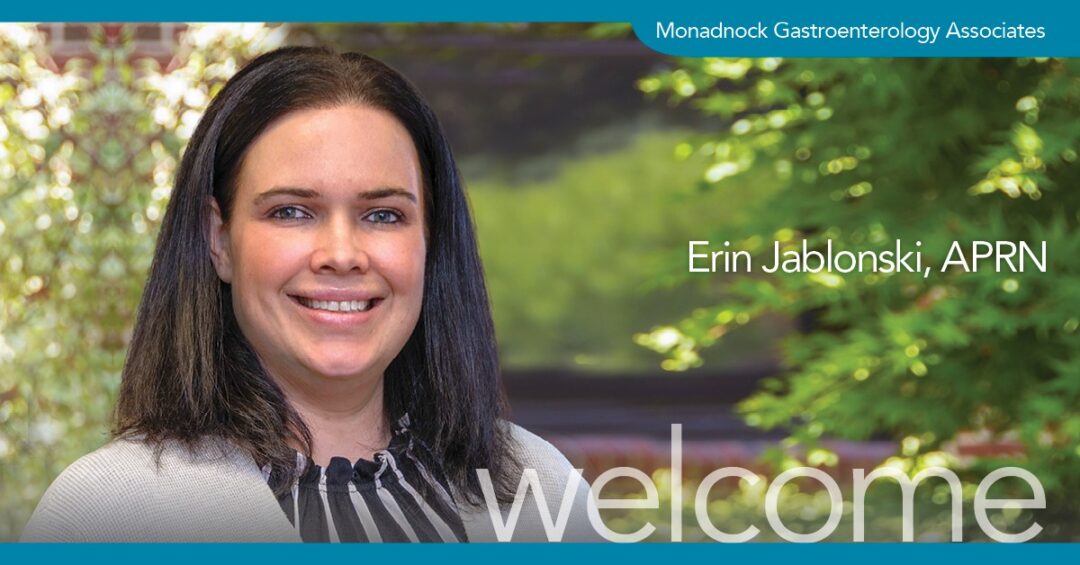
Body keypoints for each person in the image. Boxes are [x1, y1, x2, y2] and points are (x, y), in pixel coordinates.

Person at [22, 46, 595, 543]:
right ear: (218, 239)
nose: (341, 253)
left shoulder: (540, 488)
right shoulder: (110, 514)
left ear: (431, 240)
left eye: (383, 214)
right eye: (292, 211)